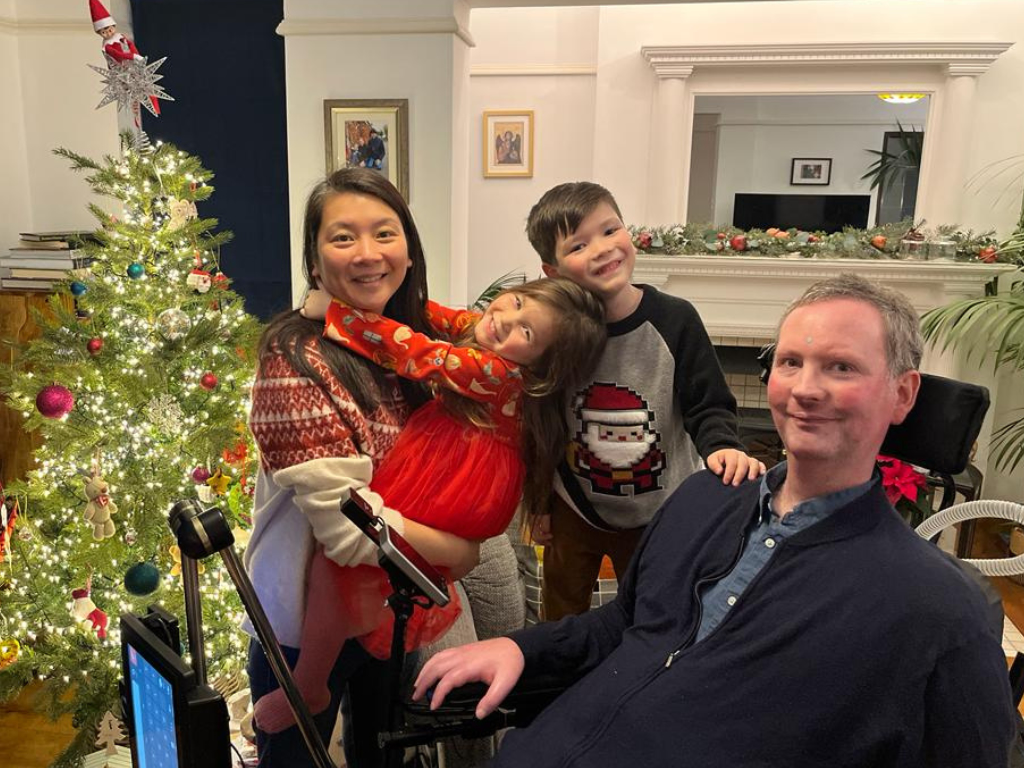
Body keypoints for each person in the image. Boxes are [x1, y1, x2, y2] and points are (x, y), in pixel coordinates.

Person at [414, 274, 1017, 767]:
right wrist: (523, 650)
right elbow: (625, 625)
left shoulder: (937, 610)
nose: (805, 389)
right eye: (790, 362)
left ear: (903, 394)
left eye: (841, 368)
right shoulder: (705, 498)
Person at [253, 276, 606, 734]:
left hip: (453, 482)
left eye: (527, 332)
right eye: (516, 302)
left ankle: (309, 682)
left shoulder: (497, 373)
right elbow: (430, 316)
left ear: (544, 363)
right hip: (448, 469)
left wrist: (337, 312)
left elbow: (416, 351)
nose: (505, 320)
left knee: (342, 564)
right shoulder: (488, 329)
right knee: (356, 571)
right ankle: (327, 670)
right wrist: (387, 299)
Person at [243, 167, 481, 768]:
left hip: (386, 609)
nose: (368, 254)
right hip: (300, 623)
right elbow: (350, 530)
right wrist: (459, 549)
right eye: (343, 237)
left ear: (409, 247)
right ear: (315, 261)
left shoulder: (408, 342)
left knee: (382, 756)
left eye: (385, 233)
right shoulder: (294, 357)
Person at [525, 181, 764, 620]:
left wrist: (723, 445)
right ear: (552, 271)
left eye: (610, 230)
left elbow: (708, 403)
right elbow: (542, 422)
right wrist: (539, 502)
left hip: (659, 513)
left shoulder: (676, 319)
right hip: (576, 510)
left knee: (656, 612)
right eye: (578, 244)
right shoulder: (552, 336)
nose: (601, 249)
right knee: (561, 614)